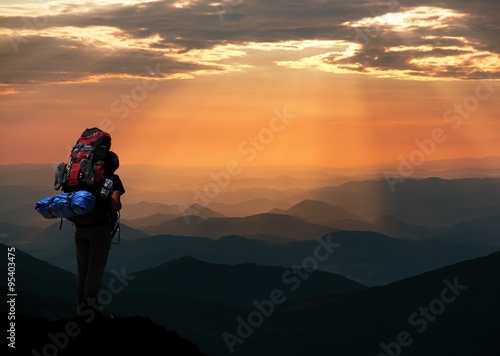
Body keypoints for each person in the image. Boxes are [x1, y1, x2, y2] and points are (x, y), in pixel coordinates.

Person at [72, 151, 125, 318]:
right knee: (95, 270)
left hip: (80, 226)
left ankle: (82, 308)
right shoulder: (113, 179)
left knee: (83, 269)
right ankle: (90, 310)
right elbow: (115, 204)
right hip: (100, 230)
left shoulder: (86, 180)